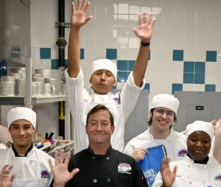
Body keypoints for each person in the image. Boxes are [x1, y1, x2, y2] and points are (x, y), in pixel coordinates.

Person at [66, 0, 156, 153]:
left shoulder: (121, 103)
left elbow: (136, 78)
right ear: (89, 79)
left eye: (108, 75)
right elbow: (73, 71)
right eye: (98, 73)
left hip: (114, 166)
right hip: (84, 165)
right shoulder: (80, 99)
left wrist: (145, 43)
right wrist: (75, 29)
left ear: (114, 82)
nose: (102, 78)